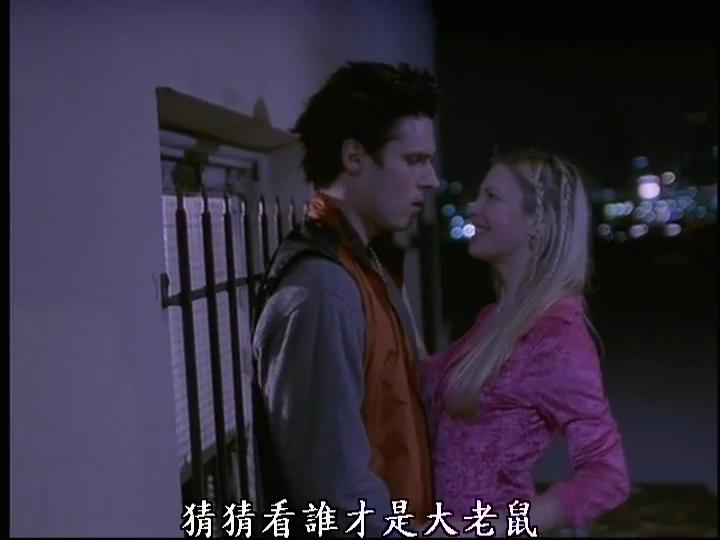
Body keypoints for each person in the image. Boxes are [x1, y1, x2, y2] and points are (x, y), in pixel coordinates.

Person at [252, 61, 440, 537]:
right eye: (414, 160)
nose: (431, 179)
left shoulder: (368, 265)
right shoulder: (324, 290)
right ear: (354, 157)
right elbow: (335, 495)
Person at [423, 149, 631, 536]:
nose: (473, 208)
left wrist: (490, 530)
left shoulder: (556, 337)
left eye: (492, 197)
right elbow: (426, 379)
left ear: (537, 221)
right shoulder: (496, 318)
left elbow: (608, 475)